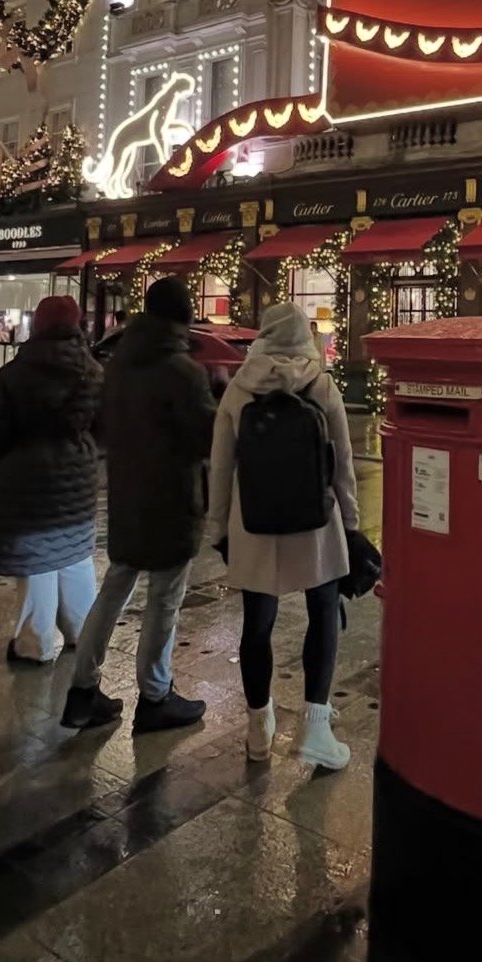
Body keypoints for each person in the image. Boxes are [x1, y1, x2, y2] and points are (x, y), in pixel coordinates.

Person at [207, 302, 359, 771]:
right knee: (324, 611)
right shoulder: (321, 383)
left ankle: (259, 728)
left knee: (257, 623)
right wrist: (350, 522)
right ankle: (316, 727)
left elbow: (221, 465)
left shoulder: (239, 387)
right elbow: (343, 464)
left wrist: (218, 526)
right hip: (315, 522)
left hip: (255, 522)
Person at [61, 277, 216, 732]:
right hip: (172, 498)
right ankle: (155, 695)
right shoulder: (183, 371)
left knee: (114, 590)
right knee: (164, 600)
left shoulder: (120, 363)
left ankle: (81, 690)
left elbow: (104, 425)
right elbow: (204, 439)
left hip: (128, 493)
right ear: (184, 319)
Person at [0, 295, 101, 665]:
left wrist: (4, 459)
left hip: (26, 478)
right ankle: (83, 632)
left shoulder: (15, 374)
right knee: (76, 555)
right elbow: (107, 426)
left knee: (37, 563)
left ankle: (37, 643)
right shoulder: (92, 371)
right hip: (76, 478)